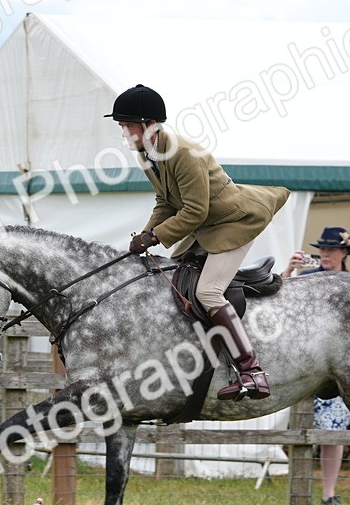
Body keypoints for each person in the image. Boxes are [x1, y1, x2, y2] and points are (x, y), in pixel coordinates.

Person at [109, 84, 290, 401]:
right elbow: (165, 202)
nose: (124, 132)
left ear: (148, 124)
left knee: (208, 291)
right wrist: (145, 235)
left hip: (233, 222)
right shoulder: (148, 154)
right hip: (205, 227)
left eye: (127, 125)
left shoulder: (183, 153)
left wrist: (157, 236)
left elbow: (195, 210)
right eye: (122, 127)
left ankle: (252, 371)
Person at [283, 225, 350, 505]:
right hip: (302, 364)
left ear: (344, 252)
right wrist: (288, 272)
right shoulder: (305, 279)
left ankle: (329, 494)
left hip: (337, 366)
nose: (325, 254)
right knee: (298, 426)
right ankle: (298, 491)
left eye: (330, 249)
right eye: (322, 250)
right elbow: (278, 302)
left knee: (333, 431)